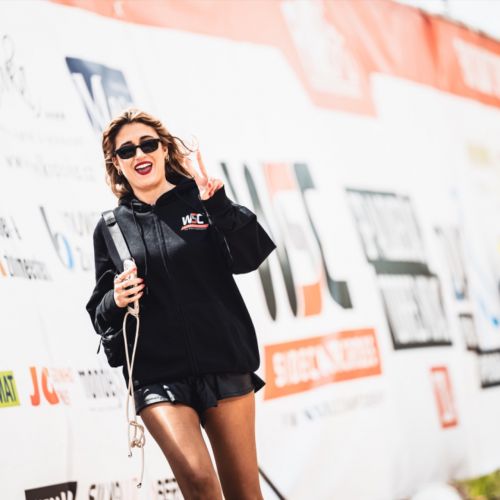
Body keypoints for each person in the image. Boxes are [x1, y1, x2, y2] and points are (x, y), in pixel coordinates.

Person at [86, 108, 276, 500]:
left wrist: (217, 203)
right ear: (116, 163)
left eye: (148, 144)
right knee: (199, 482)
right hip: (156, 377)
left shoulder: (202, 199)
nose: (140, 154)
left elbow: (250, 255)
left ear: (163, 149)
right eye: (127, 150)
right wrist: (116, 298)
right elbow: (99, 312)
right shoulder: (110, 227)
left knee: (245, 493)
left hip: (224, 363)